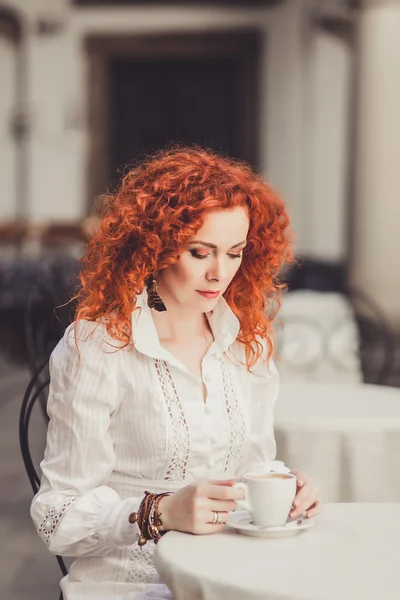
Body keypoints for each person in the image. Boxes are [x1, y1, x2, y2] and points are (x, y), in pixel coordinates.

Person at [31, 147, 322, 600]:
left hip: (229, 576)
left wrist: (283, 486)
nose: (218, 273)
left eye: (234, 253)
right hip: (132, 586)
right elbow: (57, 517)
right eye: (199, 252)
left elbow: (252, 466)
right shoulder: (100, 346)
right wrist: (160, 513)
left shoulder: (246, 342)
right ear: (158, 245)